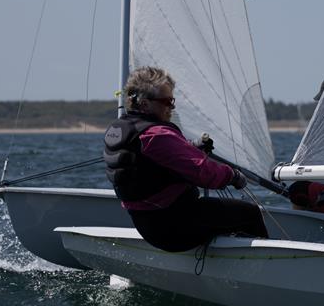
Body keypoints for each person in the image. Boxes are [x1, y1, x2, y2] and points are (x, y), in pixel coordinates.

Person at [103, 66, 269, 252]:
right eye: (166, 101)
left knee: (218, 213)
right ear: (144, 104)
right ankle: (268, 268)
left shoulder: (122, 129)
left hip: (148, 226)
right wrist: (232, 176)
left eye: (172, 100)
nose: (172, 107)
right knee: (250, 213)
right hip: (176, 227)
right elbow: (203, 173)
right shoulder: (156, 134)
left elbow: (155, 161)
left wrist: (191, 148)